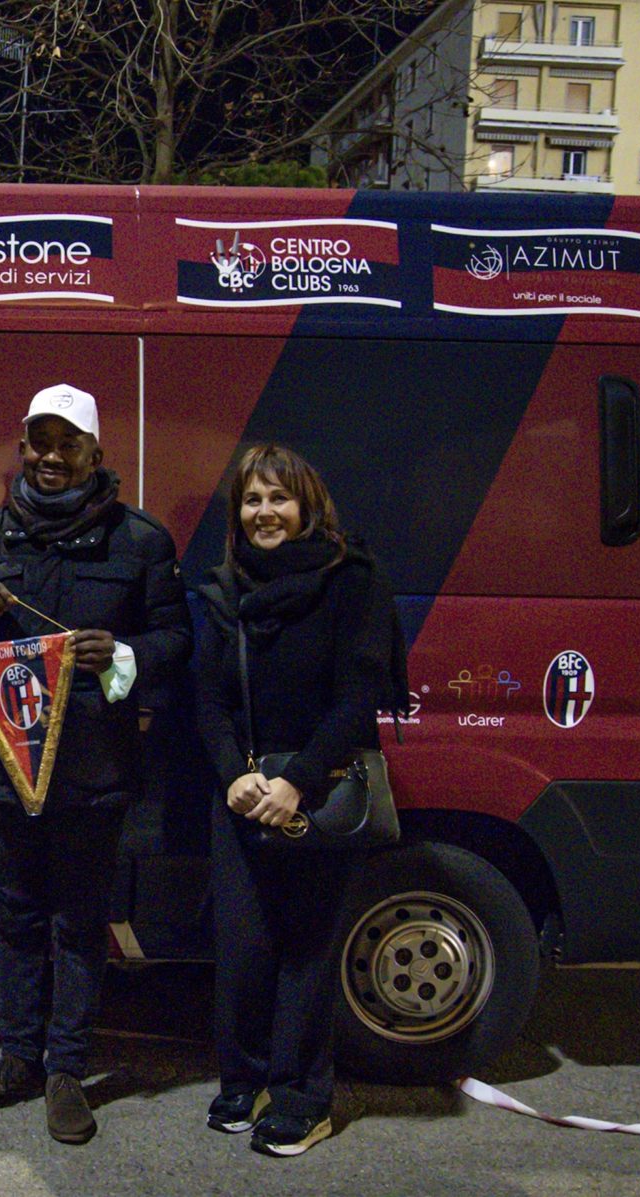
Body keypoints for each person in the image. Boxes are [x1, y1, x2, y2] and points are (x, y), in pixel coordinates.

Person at [0, 383, 191, 1145]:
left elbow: (177, 641)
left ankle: (67, 1071)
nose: (50, 456)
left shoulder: (140, 542)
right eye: (39, 441)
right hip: (5, 764)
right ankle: (17, 1060)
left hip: (94, 768)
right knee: (14, 916)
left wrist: (126, 651)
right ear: (23, 447)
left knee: (79, 923)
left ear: (94, 452)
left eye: (66, 443)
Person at [192, 443, 399, 1158]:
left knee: (308, 951)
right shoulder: (224, 590)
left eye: (278, 497)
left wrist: (297, 782)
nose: (265, 512)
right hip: (243, 795)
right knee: (243, 949)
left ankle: (303, 1099)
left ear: (307, 504)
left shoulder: (353, 581)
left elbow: (360, 696)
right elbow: (208, 701)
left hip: (321, 789)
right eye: (252, 499)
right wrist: (233, 776)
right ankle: (245, 1081)